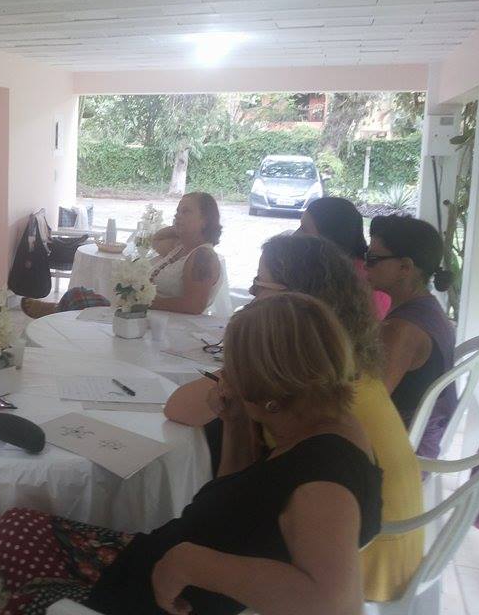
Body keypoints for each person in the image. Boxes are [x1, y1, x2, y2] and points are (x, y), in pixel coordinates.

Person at [0, 293, 382, 615]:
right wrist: (235, 423)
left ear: (269, 394)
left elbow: (336, 606)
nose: (224, 377)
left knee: (13, 543)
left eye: (231, 369)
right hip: (169, 563)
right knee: (18, 523)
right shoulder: (326, 421)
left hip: (162, 597)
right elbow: (242, 503)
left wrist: (192, 563)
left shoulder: (323, 483)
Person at [164, 234, 422, 601]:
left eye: (259, 286)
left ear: (293, 302)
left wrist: (187, 562)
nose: (250, 297)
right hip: (391, 543)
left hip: (361, 562)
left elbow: (178, 408)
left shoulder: (302, 395)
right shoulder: (339, 370)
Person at [21, 192, 223, 318]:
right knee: (79, 294)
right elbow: (156, 239)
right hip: (145, 312)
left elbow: (194, 306)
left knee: (81, 301)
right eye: (177, 211)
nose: (178, 216)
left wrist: (142, 303)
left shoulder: (203, 257)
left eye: (186, 212)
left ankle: (55, 312)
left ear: (205, 220)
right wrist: (180, 228)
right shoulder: (178, 247)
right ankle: (57, 310)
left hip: (163, 320)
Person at [366, 215, 455, 458]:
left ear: (405, 267)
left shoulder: (402, 329)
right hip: (426, 434)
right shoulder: (428, 306)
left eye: (373, 259)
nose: (365, 266)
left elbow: (370, 402)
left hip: (404, 448)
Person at [297, 196, 391, 318]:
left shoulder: (364, 282)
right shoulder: (324, 267)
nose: (296, 234)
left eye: (304, 229)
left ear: (329, 237)